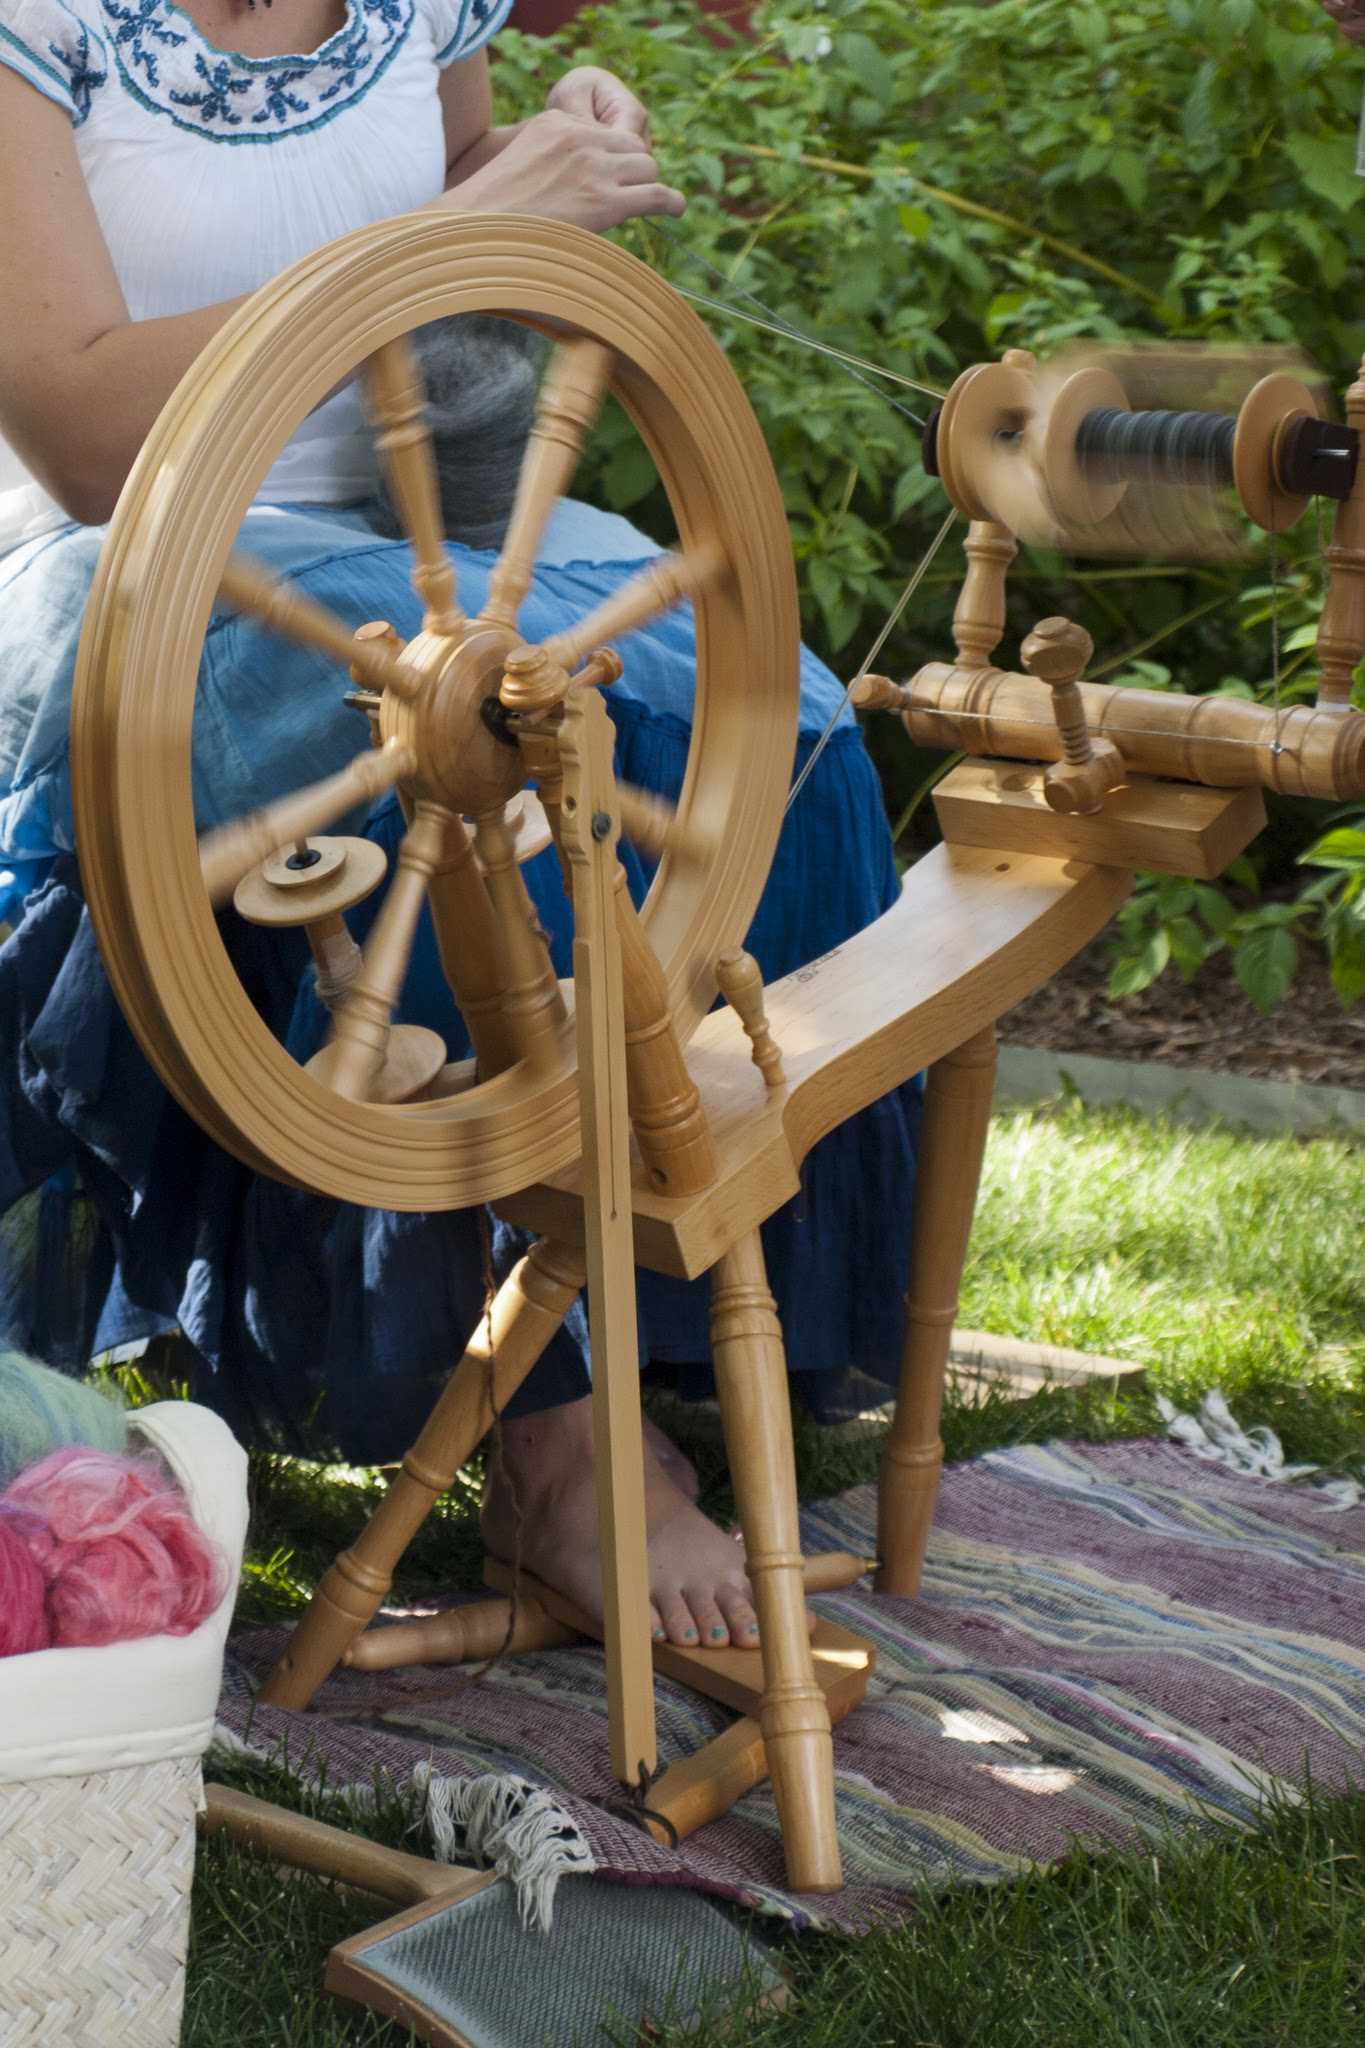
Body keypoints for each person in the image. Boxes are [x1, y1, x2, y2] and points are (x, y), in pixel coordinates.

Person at [0, 0, 919, 1653]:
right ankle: (565, 1442)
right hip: (133, 563)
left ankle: (669, 1309)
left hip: (422, 530)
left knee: (770, 718)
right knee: (485, 749)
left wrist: (542, 160)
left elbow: (460, 230)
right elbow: (76, 435)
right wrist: (455, 223)